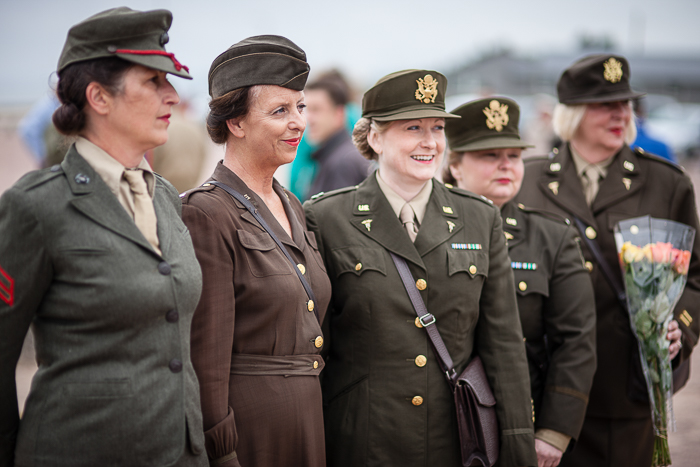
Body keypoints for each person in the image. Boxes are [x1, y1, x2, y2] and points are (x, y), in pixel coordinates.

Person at [0, 7, 206, 467]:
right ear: (99, 97)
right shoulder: (37, 205)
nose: (173, 96)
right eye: (153, 81)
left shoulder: (164, 197)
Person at [304, 69, 538, 467]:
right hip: (362, 441)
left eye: (437, 128)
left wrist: (518, 450)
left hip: (454, 442)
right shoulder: (326, 217)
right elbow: (316, 347)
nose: (430, 142)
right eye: (413, 128)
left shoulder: (479, 218)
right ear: (375, 137)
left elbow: (504, 347)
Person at [515, 54, 700, 467]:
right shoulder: (528, 180)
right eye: (605, 104)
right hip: (542, 391)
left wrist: (680, 327)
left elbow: (696, 277)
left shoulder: (666, 184)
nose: (621, 113)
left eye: (625, 103)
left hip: (624, 392)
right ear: (573, 113)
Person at [181, 36, 331, 467]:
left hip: (306, 421)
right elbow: (205, 356)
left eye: (300, 107)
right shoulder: (206, 212)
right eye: (279, 111)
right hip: (251, 432)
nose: (298, 123)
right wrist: (221, 452)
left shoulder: (291, 205)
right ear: (236, 122)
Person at [444, 97, 597, 467]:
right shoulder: (424, 230)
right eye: (489, 155)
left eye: (513, 155)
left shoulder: (551, 236)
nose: (505, 165)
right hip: (444, 421)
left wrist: (554, 431)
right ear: (455, 165)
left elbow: (576, 339)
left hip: (524, 420)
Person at [304, 73, 370, 198]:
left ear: (339, 114)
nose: (308, 118)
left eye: (316, 109)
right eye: (305, 109)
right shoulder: (339, 155)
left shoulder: (342, 164)